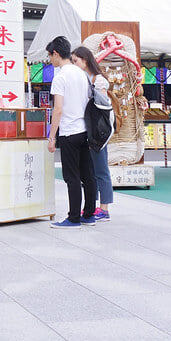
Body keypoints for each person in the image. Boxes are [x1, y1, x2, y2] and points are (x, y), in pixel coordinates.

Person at [45, 36, 97, 229]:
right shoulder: (82, 74)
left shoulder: (60, 77)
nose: (50, 59)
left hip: (69, 132)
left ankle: (74, 217)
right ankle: (89, 214)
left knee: (72, 176)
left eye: (50, 56)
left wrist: (52, 137)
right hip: (85, 130)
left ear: (56, 53)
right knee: (87, 175)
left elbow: (57, 109)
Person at [71, 46, 113, 222]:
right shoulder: (84, 78)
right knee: (91, 171)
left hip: (97, 132)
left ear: (85, 60)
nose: (74, 64)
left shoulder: (98, 80)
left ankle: (104, 208)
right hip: (89, 130)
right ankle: (94, 206)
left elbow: (101, 107)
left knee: (101, 169)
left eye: (76, 61)